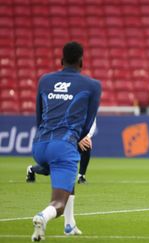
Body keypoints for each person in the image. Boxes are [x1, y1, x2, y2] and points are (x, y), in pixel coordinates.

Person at [31, 41, 101, 242]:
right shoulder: (93, 85)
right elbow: (88, 123)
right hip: (63, 145)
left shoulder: (44, 80)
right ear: (82, 61)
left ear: (61, 60)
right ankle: (42, 217)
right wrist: (78, 139)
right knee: (57, 204)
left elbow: (39, 115)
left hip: (39, 144)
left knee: (67, 177)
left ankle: (70, 225)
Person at [26, 119, 96, 184]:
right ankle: (32, 169)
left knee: (86, 144)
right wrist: (79, 138)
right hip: (62, 137)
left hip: (75, 136)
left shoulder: (87, 107)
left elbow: (92, 122)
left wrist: (87, 136)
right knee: (50, 169)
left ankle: (81, 177)